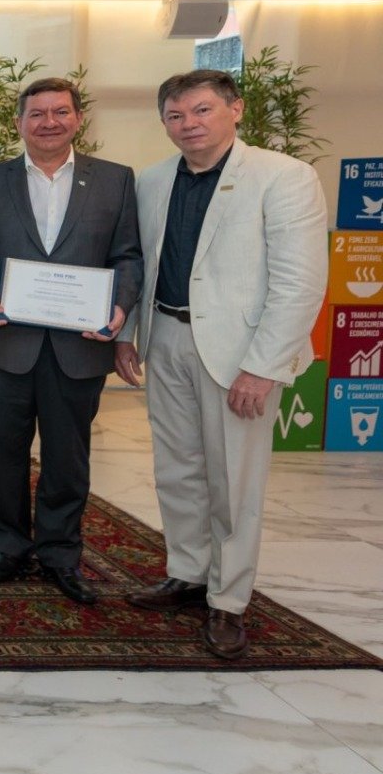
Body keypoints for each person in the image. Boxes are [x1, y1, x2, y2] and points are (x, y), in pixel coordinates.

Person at [115, 69, 327, 659]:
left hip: (240, 354)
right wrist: (127, 335)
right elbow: (141, 263)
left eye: (202, 110)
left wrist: (263, 366)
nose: (189, 124)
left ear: (236, 110)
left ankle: (229, 600)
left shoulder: (284, 177)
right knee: (177, 469)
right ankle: (187, 572)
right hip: (166, 338)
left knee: (235, 479)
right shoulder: (153, 180)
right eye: (176, 115)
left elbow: (300, 283)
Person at [0, 77, 142, 605]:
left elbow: (127, 255)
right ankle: (9, 545)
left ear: (78, 118)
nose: (48, 122)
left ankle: (61, 553)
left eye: (60, 111)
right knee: (4, 453)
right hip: (8, 341)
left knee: (68, 456)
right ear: (19, 123)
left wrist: (120, 306)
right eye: (37, 113)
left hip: (79, 345)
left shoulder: (114, 180)